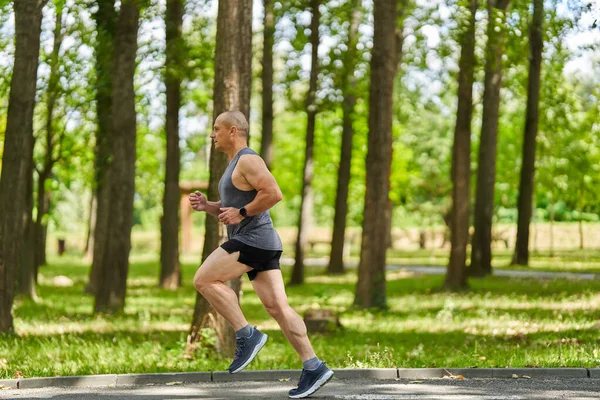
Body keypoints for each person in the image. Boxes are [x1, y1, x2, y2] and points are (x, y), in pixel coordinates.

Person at [189, 111, 334, 399]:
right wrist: (209, 206)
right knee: (278, 308)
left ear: (233, 131)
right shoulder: (235, 164)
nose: (212, 134)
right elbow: (234, 205)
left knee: (204, 280)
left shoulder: (248, 159)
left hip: (252, 240)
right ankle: (314, 366)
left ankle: (246, 334)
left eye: (216, 129)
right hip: (263, 243)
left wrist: (242, 213)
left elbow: (273, 193)